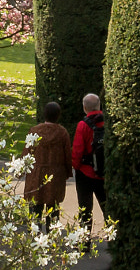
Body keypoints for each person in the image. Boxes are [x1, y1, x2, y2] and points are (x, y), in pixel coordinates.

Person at [22, 101, 72, 231]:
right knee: (53, 207)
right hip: (55, 175)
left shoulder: (34, 131)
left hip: (36, 174)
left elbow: (27, 153)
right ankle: (52, 237)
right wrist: (67, 172)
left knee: (35, 206)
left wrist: (22, 170)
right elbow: (67, 155)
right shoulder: (62, 133)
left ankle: (34, 236)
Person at [71, 93, 106, 238]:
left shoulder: (83, 125)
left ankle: (84, 242)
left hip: (85, 172)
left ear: (85, 108)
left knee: (85, 209)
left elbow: (78, 150)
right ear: (99, 105)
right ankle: (115, 239)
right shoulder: (106, 122)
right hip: (103, 171)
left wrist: (75, 166)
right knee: (107, 207)